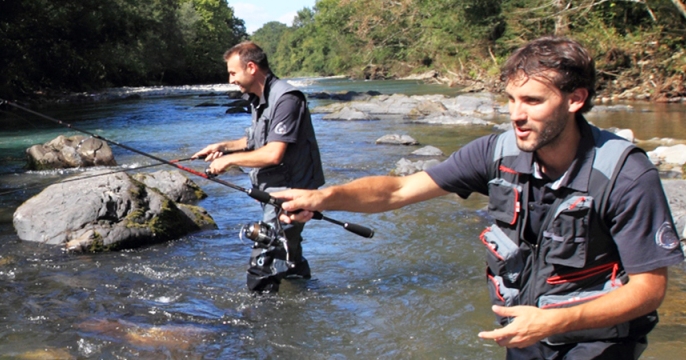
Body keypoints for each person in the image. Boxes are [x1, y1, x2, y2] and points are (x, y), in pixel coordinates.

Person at [273, 36, 684, 358]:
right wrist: (324, 197)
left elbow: (649, 289)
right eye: (510, 99)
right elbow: (400, 189)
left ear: (576, 99)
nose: (516, 115)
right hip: (525, 332)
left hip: (597, 344)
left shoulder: (626, 175)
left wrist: (554, 321)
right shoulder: (497, 152)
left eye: (533, 101)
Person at [193, 41, 325, 292]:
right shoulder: (258, 98)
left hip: (291, 191)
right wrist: (223, 146)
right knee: (289, 251)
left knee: (263, 258)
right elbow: (255, 141)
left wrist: (228, 161)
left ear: (251, 67)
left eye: (233, 72)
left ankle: (257, 321)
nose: (230, 79)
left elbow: (274, 153)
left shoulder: (287, 99)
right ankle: (300, 302)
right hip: (275, 188)